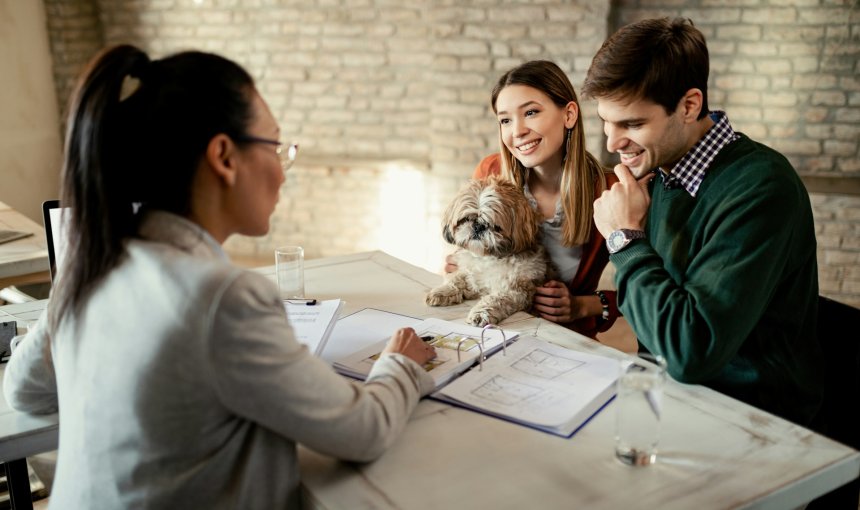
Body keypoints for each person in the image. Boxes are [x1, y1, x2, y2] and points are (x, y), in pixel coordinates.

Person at [3, 44, 436, 509]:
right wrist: (401, 364)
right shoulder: (221, 296)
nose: (283, 171)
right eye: (275, 146)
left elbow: (23, 392)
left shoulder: (92, 263)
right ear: (225, 157)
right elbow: (363, 431)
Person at [585, 17, 823, 425]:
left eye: (633, 124)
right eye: (607, 121)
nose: (612, 143)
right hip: (671, 399)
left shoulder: (762, 187)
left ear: (689, 105)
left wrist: (625, 240)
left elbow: (689, 353)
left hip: (756, 422)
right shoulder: (658, 172)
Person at [448, 60, 619, 339]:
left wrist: (583, 305)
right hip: (491, 330)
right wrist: (464, 262)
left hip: (560, 339)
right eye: (505, 120)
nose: (517, 131)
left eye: (530, 112)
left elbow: (647, 288)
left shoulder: (610, 190)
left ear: (569, 115)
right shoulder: (491, 171)